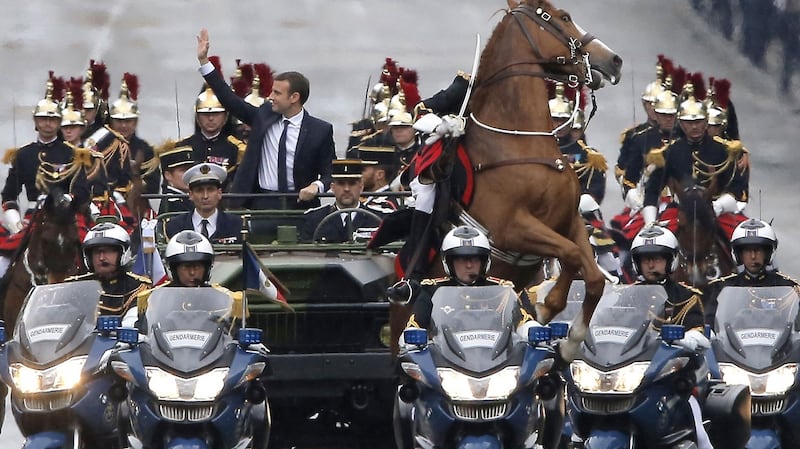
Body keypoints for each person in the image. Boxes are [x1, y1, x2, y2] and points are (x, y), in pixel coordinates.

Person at [196, 28, 335, 210]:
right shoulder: (263, 115)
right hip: (261, 202)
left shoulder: (320, 130)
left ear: (294, 97)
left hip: (301, 205)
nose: (270, 96)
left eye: (277, 93)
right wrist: (204, 61)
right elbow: (229, 99)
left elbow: (331, 172)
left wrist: (317, 186)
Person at [629, 224, 713, 449]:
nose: (650, 264)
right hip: (634, 374)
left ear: (671, 261)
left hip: (674, 379)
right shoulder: (625, 296)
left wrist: (686, 339)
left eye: (657, 258)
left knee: (698, 425)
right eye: (645, 258)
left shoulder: (686, 297)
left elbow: (699, 333)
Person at [640, 82, 748, 241]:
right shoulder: (670, 152)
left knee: (746, 240)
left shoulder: (723, 151)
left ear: (706, 121)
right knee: (651, 246)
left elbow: (736, 188)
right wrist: (649, 223)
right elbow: (652, 190)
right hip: (680, 211)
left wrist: (719, 206)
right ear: (681, 123)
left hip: (716, 210)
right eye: (689, 123)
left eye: (698, 121)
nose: (694, 127)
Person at [401, 225, 538, 335]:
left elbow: (523, 320)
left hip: (498, 359)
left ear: (485, 262)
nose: (469, 265)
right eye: (461, 259)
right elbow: (415, 325)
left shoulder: (504, 290)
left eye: (475, 259)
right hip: (446, 361)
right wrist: (412, 335)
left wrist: (530, 329)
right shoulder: (432, 290)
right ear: (448, 262)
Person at [703, 219, 798, 328]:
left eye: (758, 250)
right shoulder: (722, 287)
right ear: (739, 254)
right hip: (733, 344)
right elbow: (709, 325)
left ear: (768, 252)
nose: (753, 256)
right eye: (747, 251)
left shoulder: (787, 287)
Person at [65, 222, 151, 327]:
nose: (101, 258)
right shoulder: (75, 286)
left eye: (108, 251)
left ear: (123, 253)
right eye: (96, 252)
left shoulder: (137, 286)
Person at [177, 62, 244, 189]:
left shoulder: (236, 149)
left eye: (216, 113)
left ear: (225, 116)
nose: (211, 118)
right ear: (197, 116)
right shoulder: (183, 146)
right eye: (205, 114)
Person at [300, 159, 381, 243]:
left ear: (361, 187)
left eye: (352, 183)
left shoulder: (376, 219)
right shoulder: (315, 219)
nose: (346, 189)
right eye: (341, 183)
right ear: (333, 188)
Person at [163, 162, 240, 243]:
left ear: (219, 193)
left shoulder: (236, 224)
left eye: (210, 190)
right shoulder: (175, 225)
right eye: (199, 190)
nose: (205, 196)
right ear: (191, 195)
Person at [359, 146, 402, 215]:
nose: (359, 174)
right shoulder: (363, 198)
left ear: (379, 175)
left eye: (363, 170)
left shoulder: (385, 205)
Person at [157, 143, 196, 215]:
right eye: (183, 170)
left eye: (191, 169)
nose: (189, 174)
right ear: (168, 175)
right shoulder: (172, 203)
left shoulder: (187, 198)